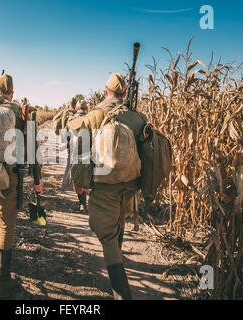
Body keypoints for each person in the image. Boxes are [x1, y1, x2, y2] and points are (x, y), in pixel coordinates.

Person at [67, 73, 146, 300]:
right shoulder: (137, 117)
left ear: (105, 92)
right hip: (129, 187)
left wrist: (79, 180)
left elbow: (76, 136)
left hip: (105, 186)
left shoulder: (96, 114)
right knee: (118, 225)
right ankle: (119, 264)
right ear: (125, 94)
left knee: (108, 238)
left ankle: (123, 295)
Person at [0, 74, 43, 299]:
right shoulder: (19, 111)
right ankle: (4, 283)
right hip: (9, 174)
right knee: (6, 222)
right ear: (12, 93)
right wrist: (37, 179)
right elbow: (32, 149)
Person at [61, 100, 89, 212]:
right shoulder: (91, 119)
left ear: (77, 108)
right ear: (86, 109)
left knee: (77, 178)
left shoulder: (71, 119)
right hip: (89, 152)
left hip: (74, 152)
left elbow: (65, 137)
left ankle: (82, 203)